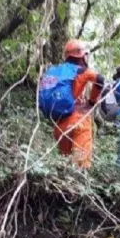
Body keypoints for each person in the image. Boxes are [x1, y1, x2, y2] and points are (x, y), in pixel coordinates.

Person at [39, 39, 104, 169]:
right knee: (80, 166)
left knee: (64, 165)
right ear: (82, 56)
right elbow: (100, 80)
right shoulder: (81, 70)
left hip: (59, 125)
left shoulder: (53, 71)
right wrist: (91, 102)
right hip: (78, 121)